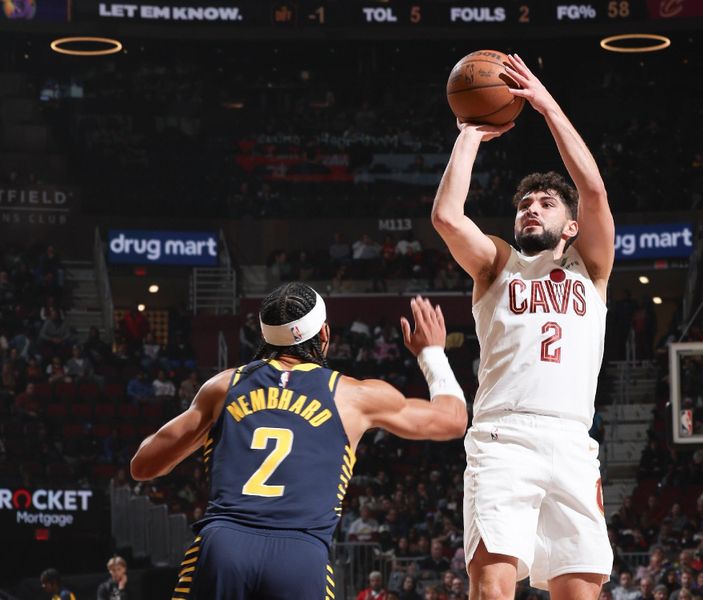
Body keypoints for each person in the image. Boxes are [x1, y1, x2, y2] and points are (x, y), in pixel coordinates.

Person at [130, 283, 468, 599]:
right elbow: (452, 421)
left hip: (224, 545)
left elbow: (144, 465)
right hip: (300, 554)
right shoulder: (353, 395)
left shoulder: (223, 387)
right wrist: (432, 353)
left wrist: (209, 431)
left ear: (264, 338)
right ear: (324, 334)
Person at [431, 53, 615, 599]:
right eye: (524, 205)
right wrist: (468, 134)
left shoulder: (592, 267)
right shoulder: (496, 263)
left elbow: (597, 190)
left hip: (572, 440)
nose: (531, 209)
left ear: (571, 224)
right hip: (502, 438)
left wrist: (545, 104)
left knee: (580, 592)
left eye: (546, 203)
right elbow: (446, 217)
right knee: (492, 589)